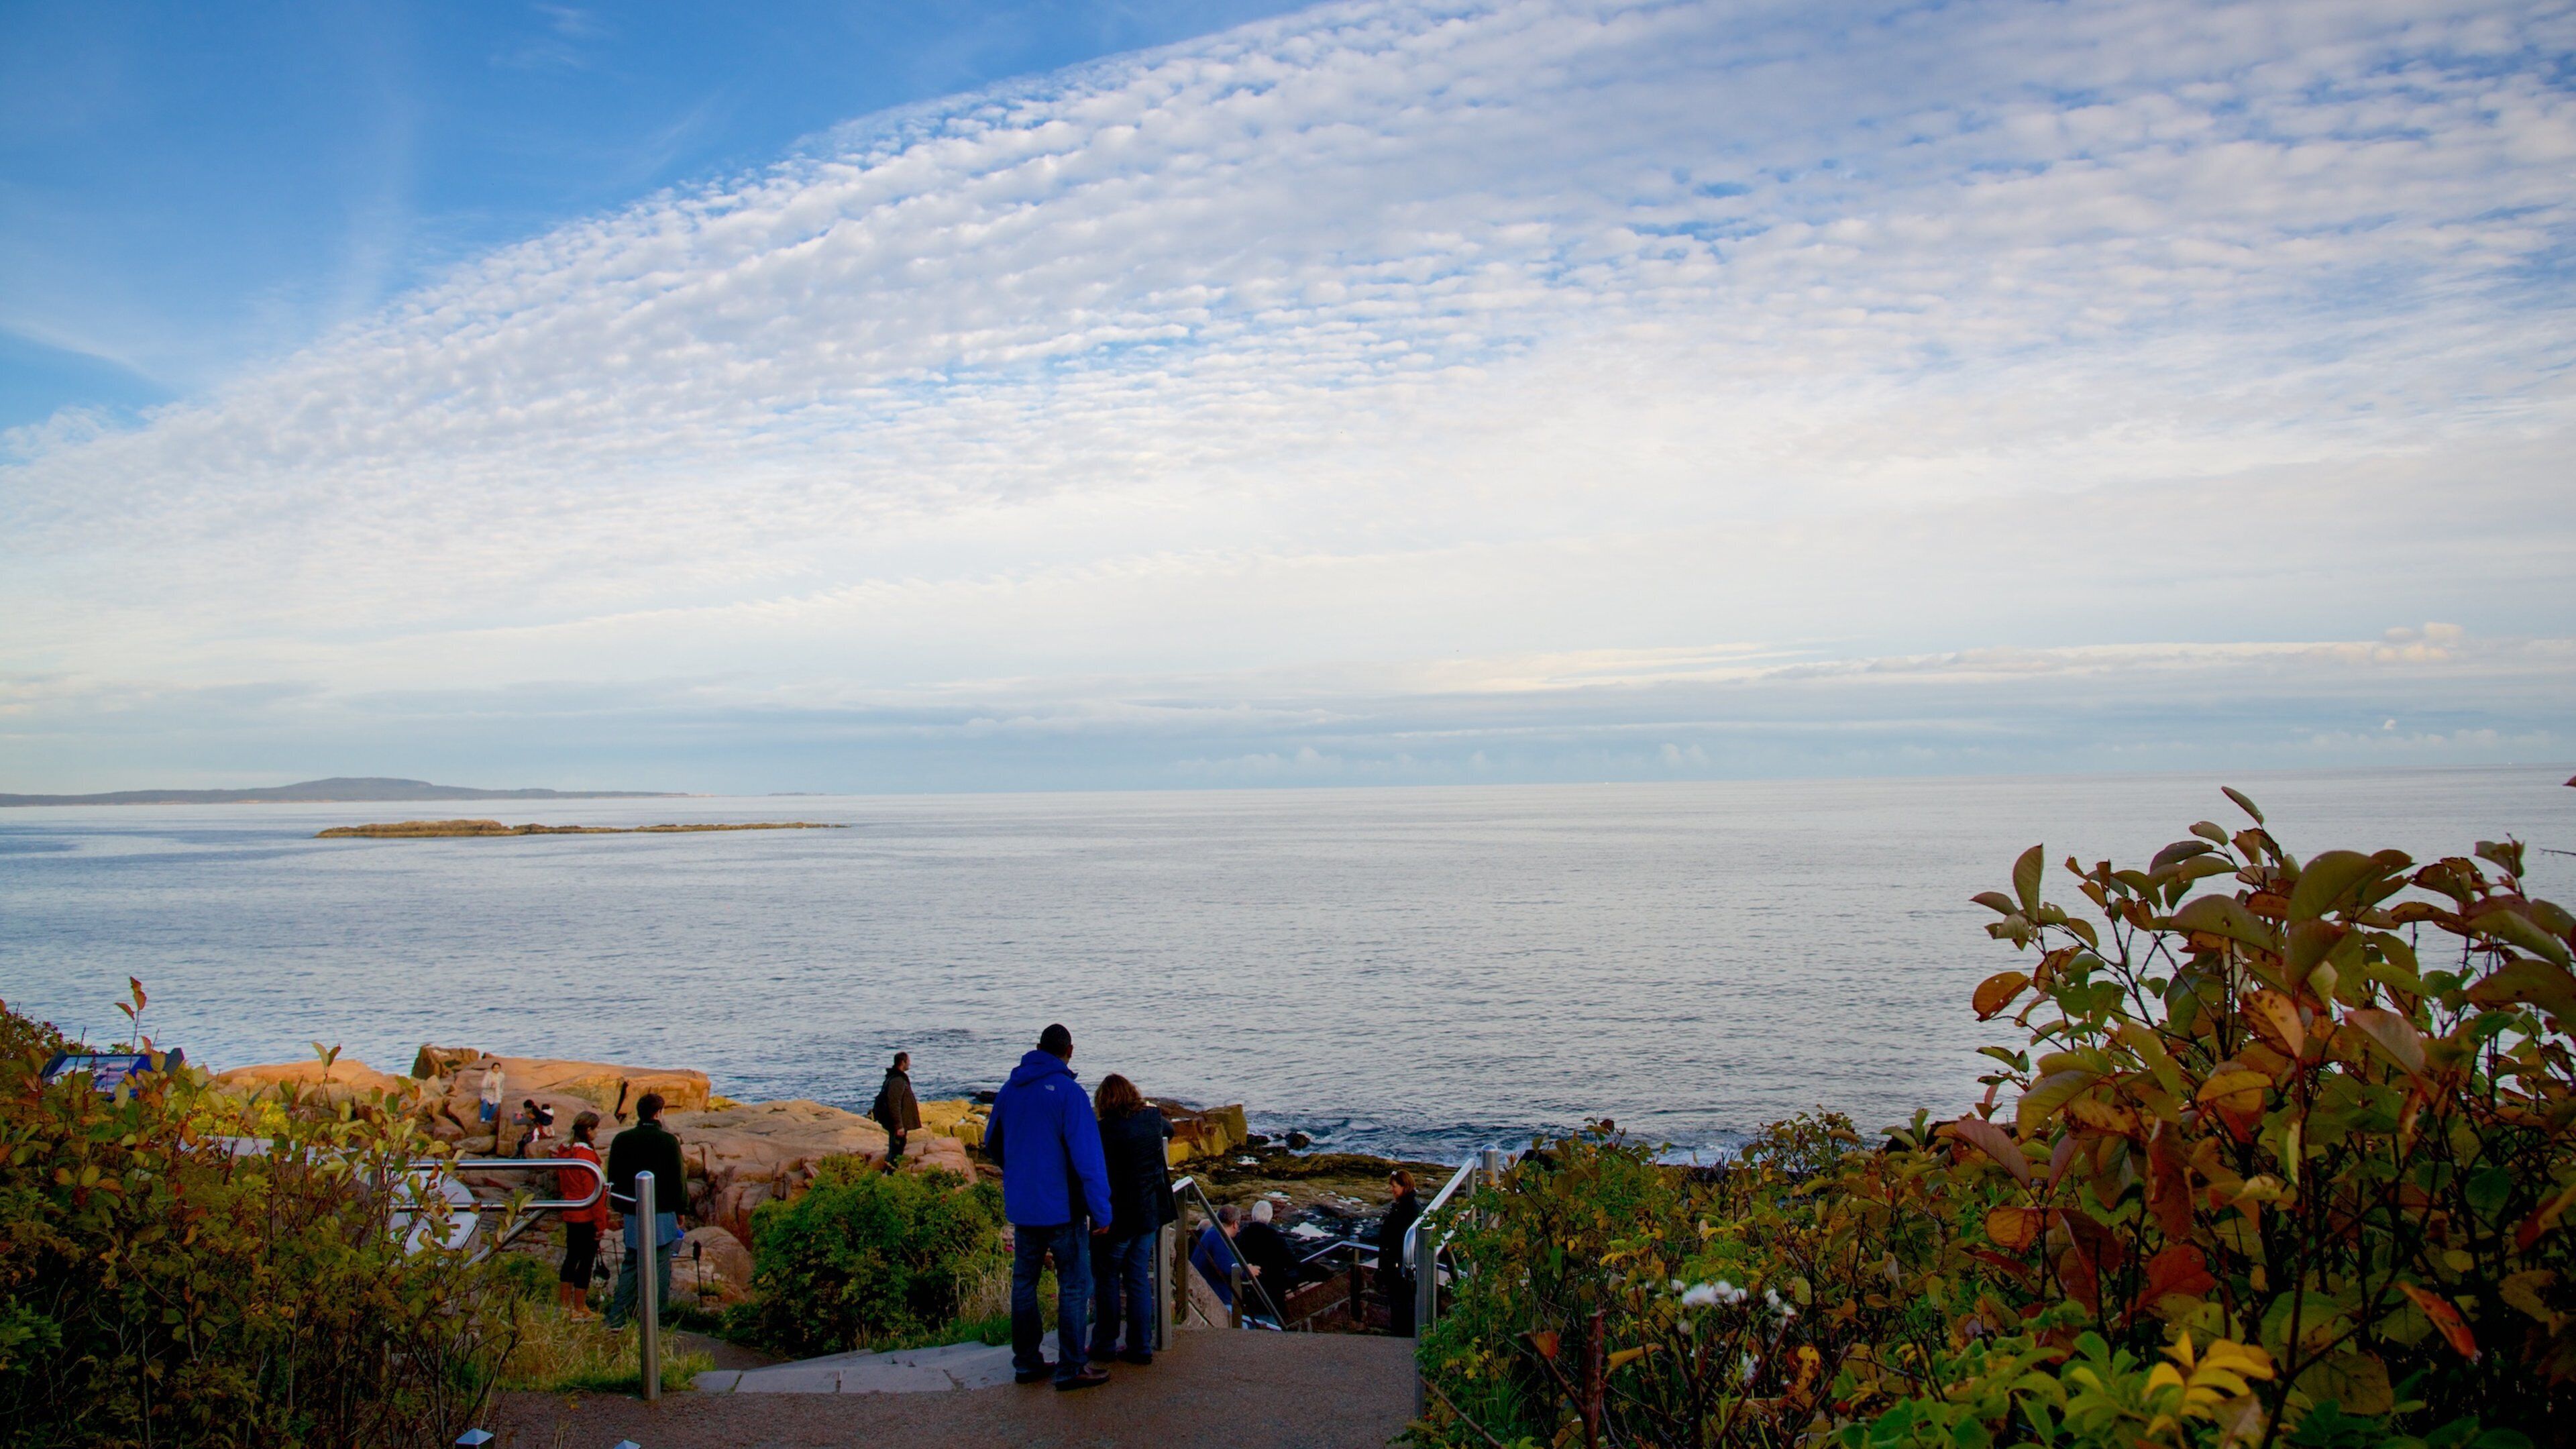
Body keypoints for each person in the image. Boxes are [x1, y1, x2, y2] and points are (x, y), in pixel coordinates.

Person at [985, 1024, 1113, 1391]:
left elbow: (991, 1141)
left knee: (1024, 1283)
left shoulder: (1010, 1090)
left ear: (1037, 1047)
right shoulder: (1070, 1094)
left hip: (1024, 1207)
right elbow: (1088, 1158)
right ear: (1069, 1051)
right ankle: (1071, 1366)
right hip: (1064, 1208)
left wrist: (1018, 1171)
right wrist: (1101, 1211)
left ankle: (1026, 1361)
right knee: (1075, 1284)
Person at [1089, 1073, 1176, 1365]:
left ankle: (1105, 1344)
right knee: (1138, 1277)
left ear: (1103, 1101)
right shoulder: (1152, 1119)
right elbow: (1170, 1130)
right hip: (1148, 1213)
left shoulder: (1102, 1130)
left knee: (1108, 1279)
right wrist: (1148, 1107)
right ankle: (1140, 1347)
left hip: (1116, 1218)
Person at [603, 1091, 686, 1330]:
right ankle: (658, 1319)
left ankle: (618, 1317)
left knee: (632, 1262)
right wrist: (680, 1209)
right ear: (659, 1113)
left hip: (633, 1210)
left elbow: (614, 1176)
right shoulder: (668, 1141)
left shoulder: (622, 1139)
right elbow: (677, 1179)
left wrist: (620, 1207)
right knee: (660, 1263)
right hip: (661, 1210)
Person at [554, 1110, 606, 1320]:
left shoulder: (565, 1151)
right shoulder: (585, 1156)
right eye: (596, 1128)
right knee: (586, 1261)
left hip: (571, 1209)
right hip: (586, 1213)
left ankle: (565, 1306)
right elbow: (593, 1191)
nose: (598, 1132)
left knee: (571, 1257)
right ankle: (580, 1307)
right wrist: (601, 1222)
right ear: (588, 1130)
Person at [1375, 1169, 1424, 1336]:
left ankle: (1402, 1342)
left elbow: (1400, 1238)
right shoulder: (1403, 1207)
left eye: (1395, 1186)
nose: (1392, 1190)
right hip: (1395, 1266)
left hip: (1399, 1268)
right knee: (1399, 1309)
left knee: (1402, 1310)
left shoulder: (1409, 1209)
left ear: (1405, 1186)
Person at [1236, 1199, 1305, 1316]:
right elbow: (1293, 1264)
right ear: (1270, 1217)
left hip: (1246, 1294)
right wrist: (1292, 1285)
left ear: (1253, 1216)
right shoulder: (1276, 1238)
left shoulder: (1241, 1236)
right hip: (1272, 1295)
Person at [1190, 1204, 1258, 1312]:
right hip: (1216, 1298)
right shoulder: (1219, 1238)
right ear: (1235, 1224)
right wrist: (1247, 1271)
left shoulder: (1211, 1234)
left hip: (1205, 1290)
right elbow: (1227, 1267)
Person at [871, 1051, 923, 1166]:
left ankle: (892, 1174)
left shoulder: (894, 1077)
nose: (910, 1064)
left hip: (895, 1122)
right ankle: (892, 1175)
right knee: (896, 1151)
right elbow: (894, 1103)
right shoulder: (897, 1080)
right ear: (903, 1062)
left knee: (896, 1149)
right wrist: (899, 1126)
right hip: (896, 1124)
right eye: (908, 1061)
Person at [478, 1061, 505, 1131]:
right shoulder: (488, 1075)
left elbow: (502, 1086)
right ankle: (483, 1118)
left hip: (496, 1094)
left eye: (498, 1068)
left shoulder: (502, 1075)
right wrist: (490, 1085)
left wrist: (500, 1094)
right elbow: (483, 1085)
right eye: (495, 1068)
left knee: (496, 1104)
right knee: (485, 1102)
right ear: (492, 1068)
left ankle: (489, 1118)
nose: (496, 1070)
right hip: (487, 1093)